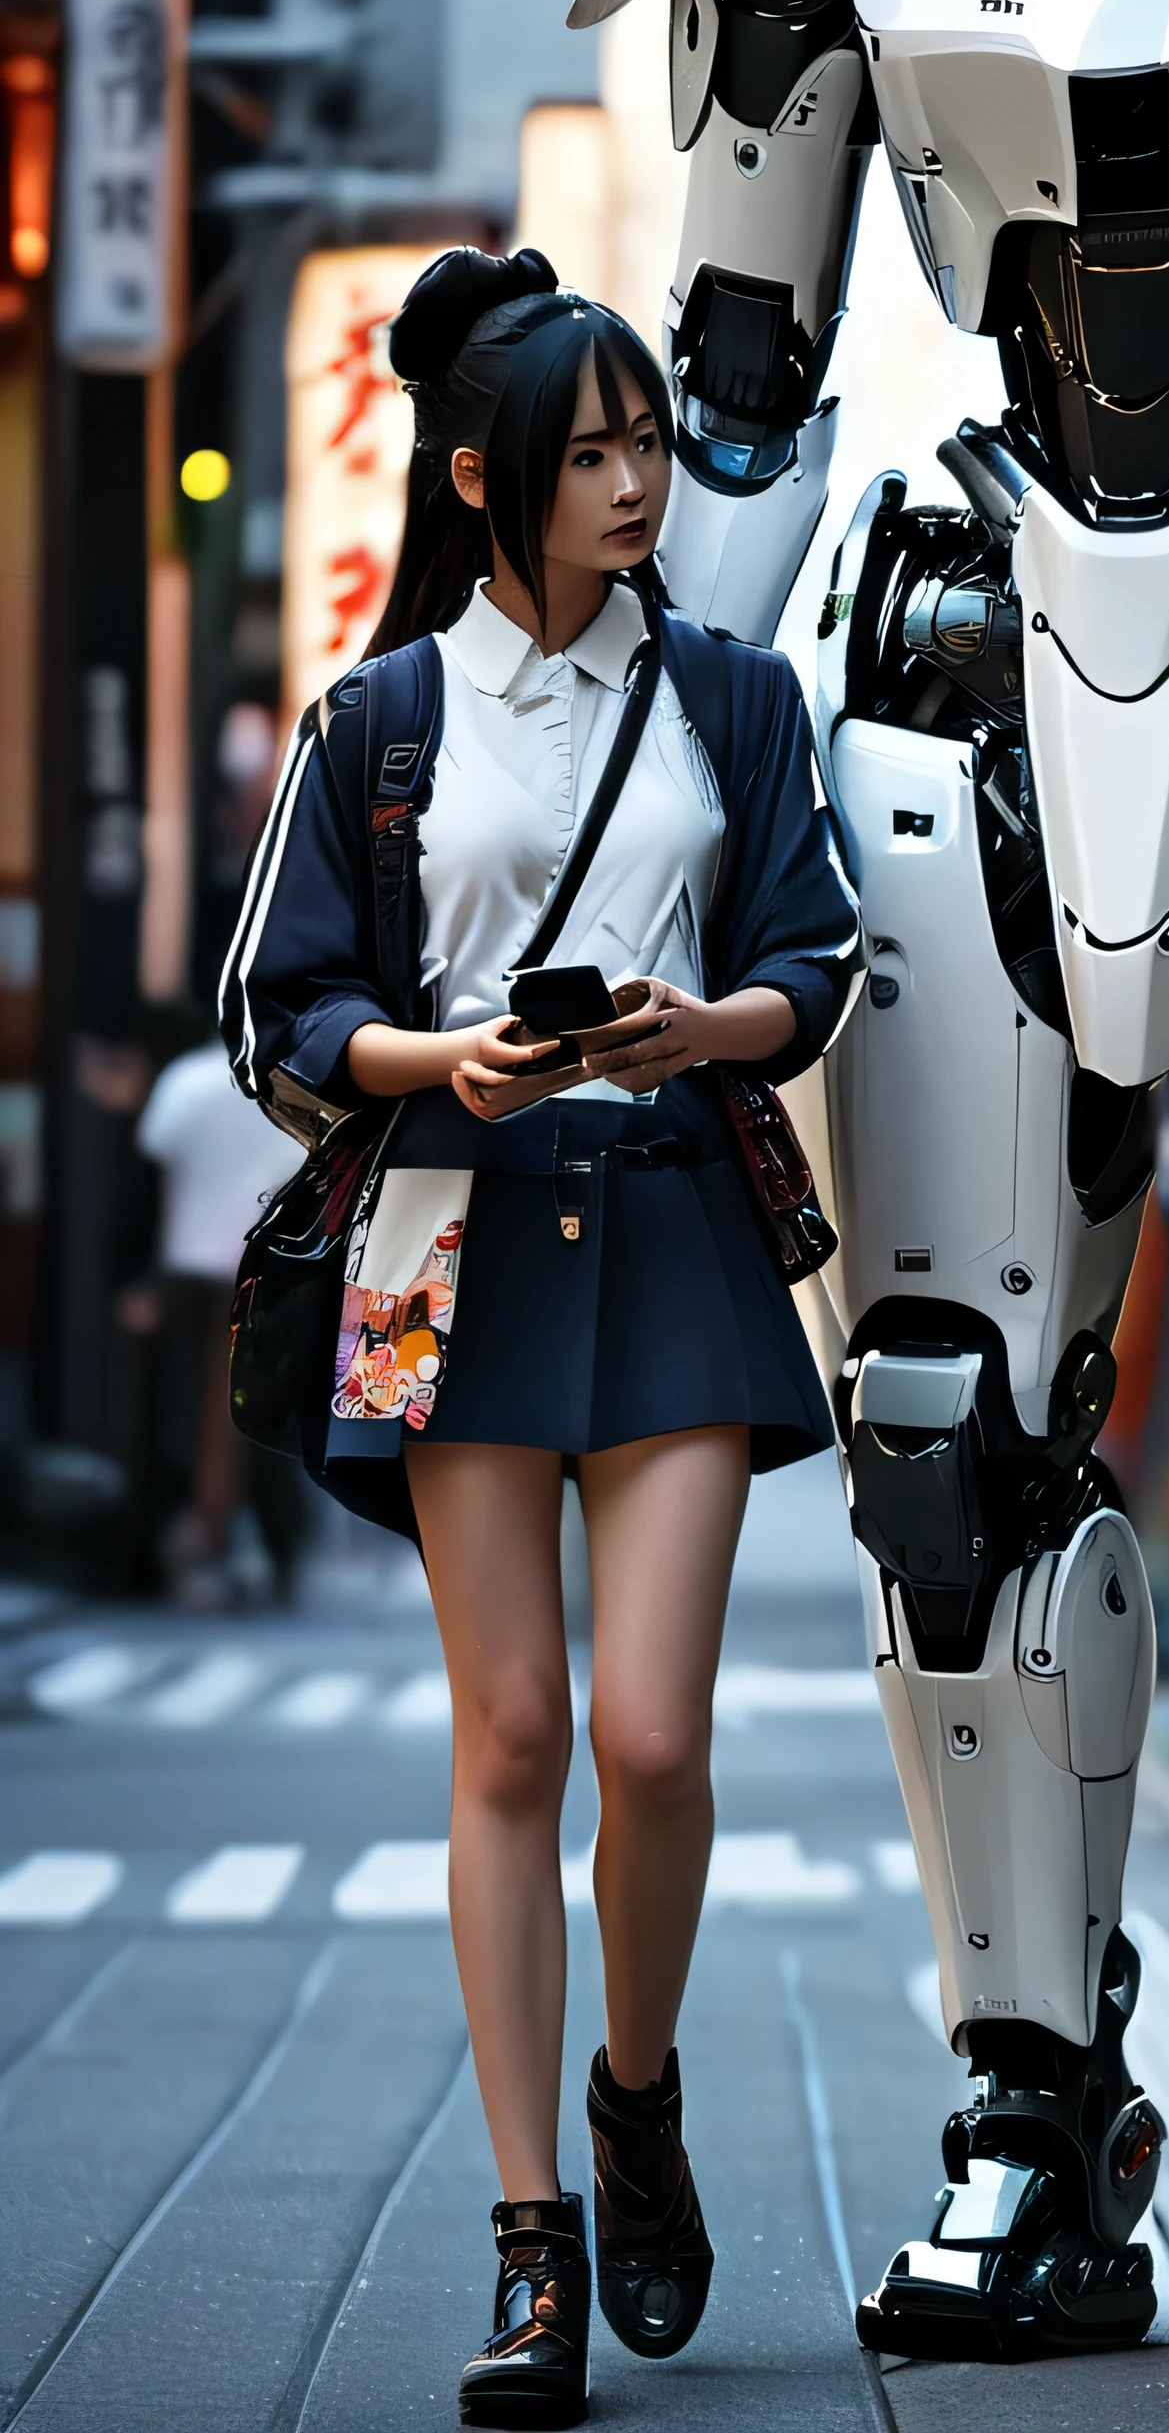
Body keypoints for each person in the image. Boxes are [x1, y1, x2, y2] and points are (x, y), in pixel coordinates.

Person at [219, 245, 859, 2430]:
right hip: (435, 1239)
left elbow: (812, 944)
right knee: (508, 1738)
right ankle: (529, 2243)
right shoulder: (377, 718)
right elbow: (277, 1009)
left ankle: (636, 2085)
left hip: (676, 1208)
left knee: (651, 1736)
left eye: (650, 443)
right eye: (591, 451)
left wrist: (709, 1027)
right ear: (485, 477)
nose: (635, 482)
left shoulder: (733, 697)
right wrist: (436, 1057)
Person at [134, 1039, 302, 1603]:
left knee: (187, 1408)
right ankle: (262, 1543)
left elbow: (152, 1174)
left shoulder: (183, 1079)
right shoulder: (287, 1081)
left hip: (189, 1264)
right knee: (260, 1409)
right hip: (265, 1267)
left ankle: (202, 1537)